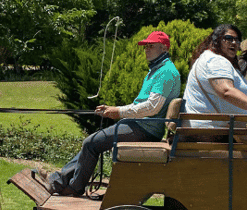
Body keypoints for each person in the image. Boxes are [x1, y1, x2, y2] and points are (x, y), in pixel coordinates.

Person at [48, 30, 181, 197]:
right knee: (92, 142)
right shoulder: (156, 70)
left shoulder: (166, 72)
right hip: (141, 125)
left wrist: (118, 112)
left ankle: (72, 187)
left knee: (91, 143)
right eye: (145, 46)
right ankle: (59, 180)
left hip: (145, 129)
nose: (146, 49)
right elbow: (140, 105)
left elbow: (151, 108)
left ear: (164, 48)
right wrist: (113, 109)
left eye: (151, 46)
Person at [182, 24, 247, 139]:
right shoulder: (216, 60)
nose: (233, 42)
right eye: (228, 38)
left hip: (217, 130)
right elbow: (226, 91)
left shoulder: (214, 59)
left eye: (237, 40)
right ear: (216, 40)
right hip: (212, 133)